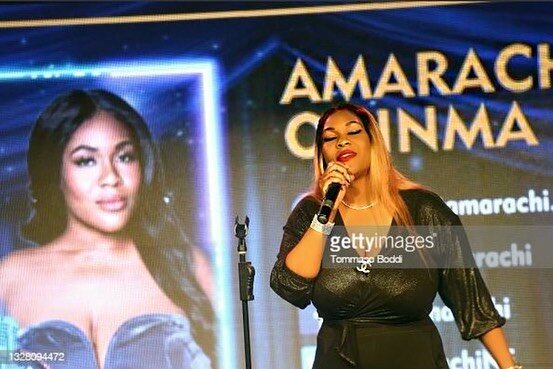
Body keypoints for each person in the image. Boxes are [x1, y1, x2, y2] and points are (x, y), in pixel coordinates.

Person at [270, 103, 521, 369]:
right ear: (323, 153)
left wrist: (510, 366)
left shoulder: (423, 209)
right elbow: (290, 285)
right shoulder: (312, 211)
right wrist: (325, 216)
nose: (342, 141)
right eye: (330, 138)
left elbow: (472, 300)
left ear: (373, 143)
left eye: (353, 132)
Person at [0, 89, 214, 369]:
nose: (111, 178)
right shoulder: (12, 277)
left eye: (125, 157)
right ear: (55, 173)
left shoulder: (187, 266)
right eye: (86, 161)